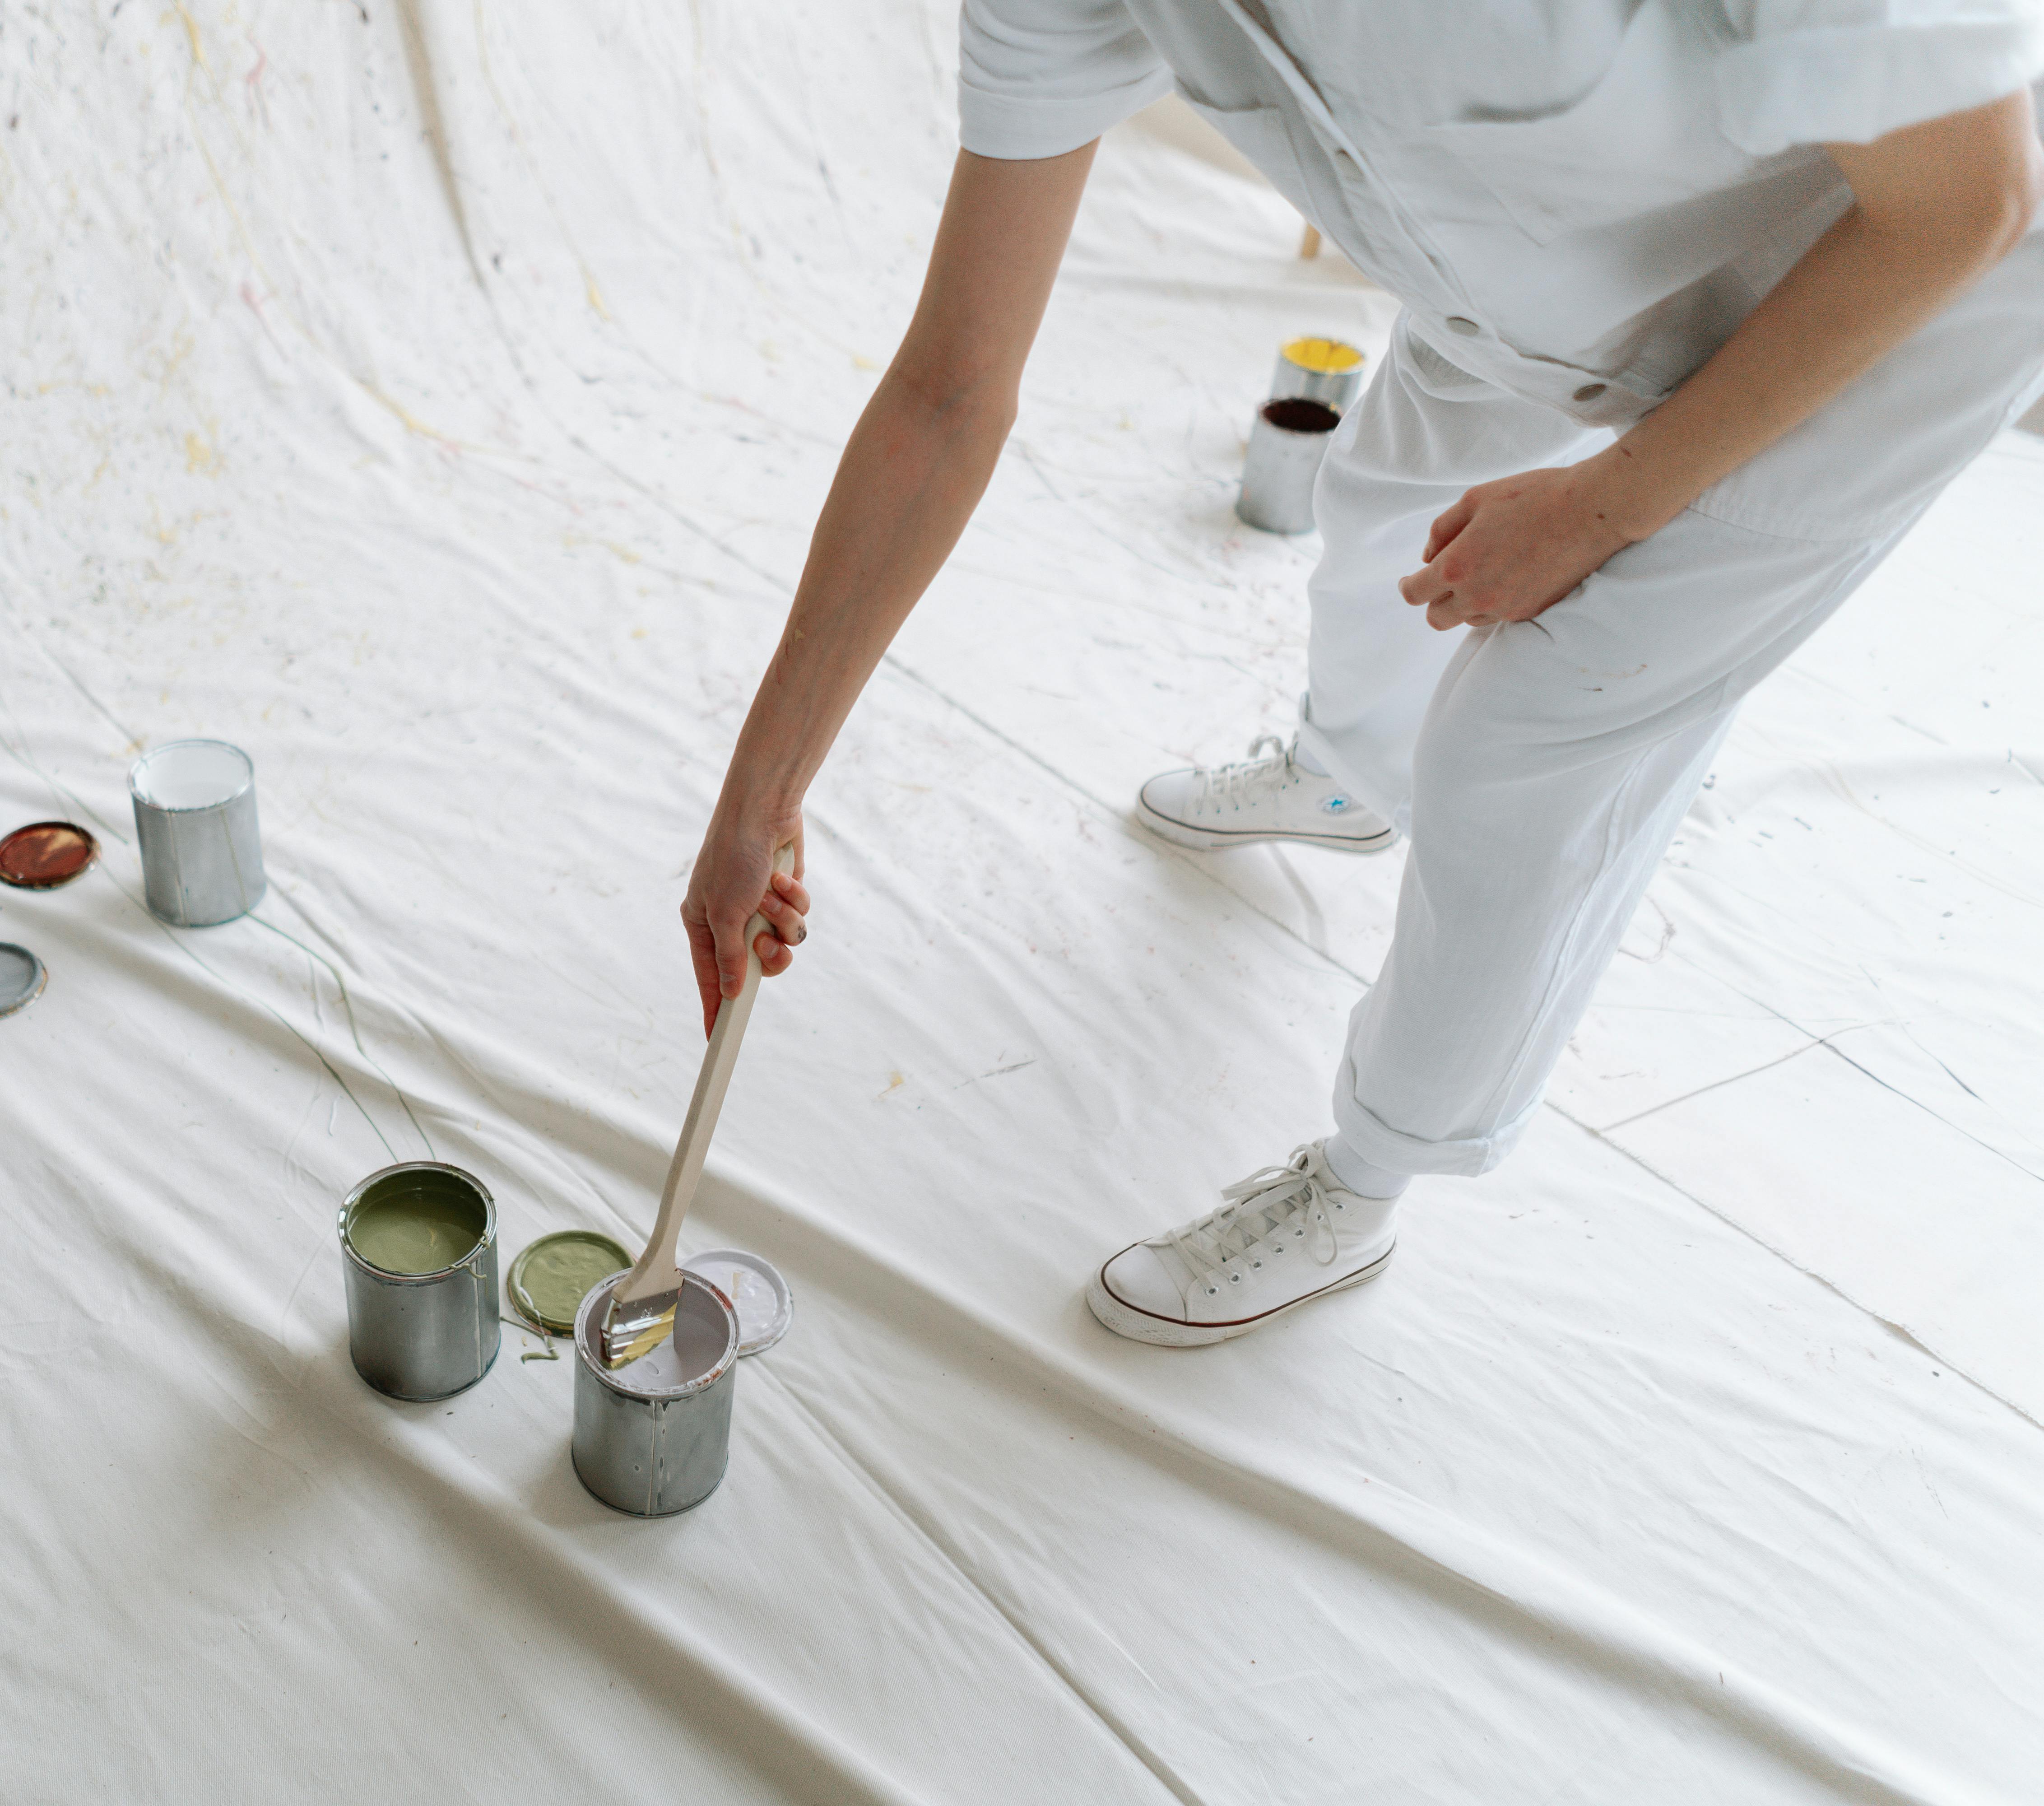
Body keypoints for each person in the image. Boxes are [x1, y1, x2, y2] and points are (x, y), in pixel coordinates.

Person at [681, 1, 2044, 1345]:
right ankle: (1343, 781)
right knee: (1390, 501)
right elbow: (948, 391)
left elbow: (1964, 202)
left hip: (1914, 281)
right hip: (1560, 247)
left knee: (1523, 746)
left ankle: (1371, 1175)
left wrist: (1603, 505)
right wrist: (764, 794)